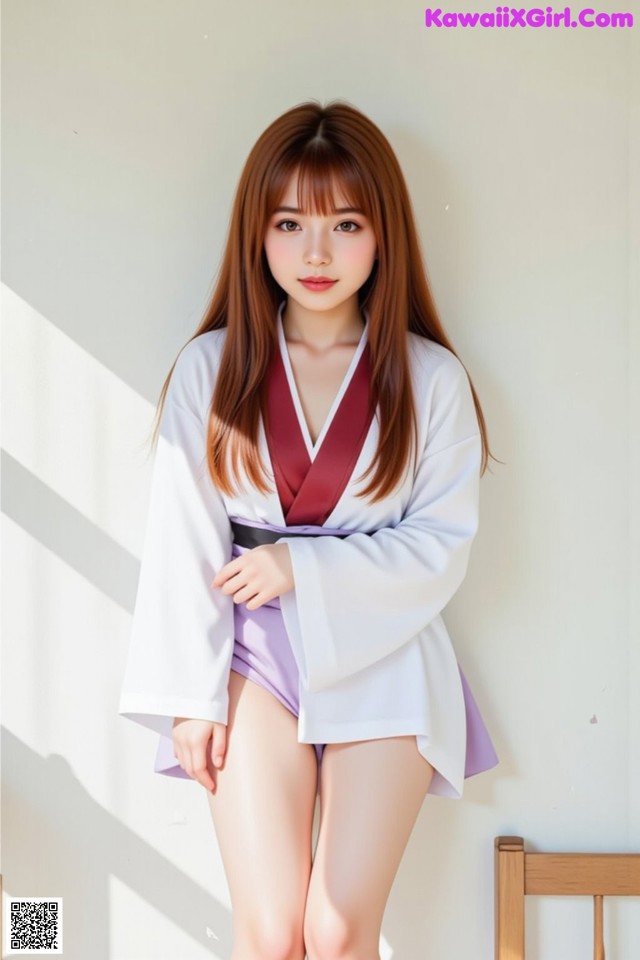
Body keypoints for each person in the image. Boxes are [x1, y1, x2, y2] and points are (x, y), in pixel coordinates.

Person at [118, 99, 498, 960]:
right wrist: (188, 695)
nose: (316, 253)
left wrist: (301, 568)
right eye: (289, 223)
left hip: (387, 651)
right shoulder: (210, 368)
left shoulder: (430, 379)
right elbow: (182, 535)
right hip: (251, 655)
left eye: (345, 223)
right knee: (269, 932)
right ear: (257, 232)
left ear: (383, 234)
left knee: (335, 932)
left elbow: (442, 545)